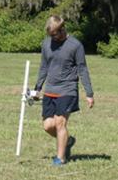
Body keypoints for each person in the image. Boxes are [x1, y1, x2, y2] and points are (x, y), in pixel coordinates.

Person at [34, 15, 94, 166]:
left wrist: (89, 93)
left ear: (62, 29)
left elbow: (82, 69)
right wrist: (37, 88)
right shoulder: (46, 44)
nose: (52, 38)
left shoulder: (75, 45)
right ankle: (68, 141)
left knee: (60, 123)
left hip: (67, 89)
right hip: (50, 89)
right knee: (48, 126)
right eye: (50, 35)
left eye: (54, 34)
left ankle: (60, 159)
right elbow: (44, 67)